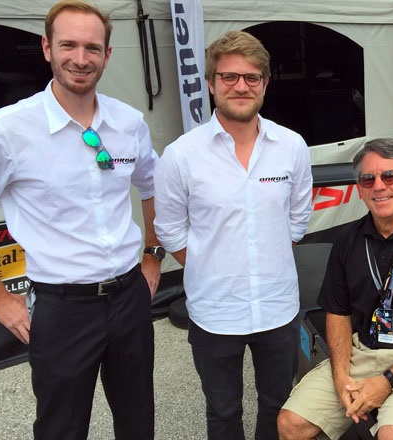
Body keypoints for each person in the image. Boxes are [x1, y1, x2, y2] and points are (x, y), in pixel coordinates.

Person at [0, 1, 162, 438]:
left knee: (138, 421)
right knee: (61, 428)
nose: (81, 58)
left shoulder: (128, 122)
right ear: (46, 48)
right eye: (68, 45)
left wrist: (152, 255)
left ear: (107, 55)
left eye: (92, 48)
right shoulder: (9, 130)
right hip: (63, 309)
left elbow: (153, 186)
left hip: (129, 298)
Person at [154, 30, 313, 440]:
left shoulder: (291, 146)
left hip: (277, 307)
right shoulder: (181, 155)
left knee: (277, 405)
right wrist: (208, 264)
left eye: (251, 77)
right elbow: (169, 228)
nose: (241, 86)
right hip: (214, 311)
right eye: (229, 77)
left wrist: (269, 253)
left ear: (264, 83)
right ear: (211, 83)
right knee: (223, 412)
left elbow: (298, 217)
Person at [277, 138, 393, 440]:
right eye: (368, 179)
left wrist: (387, 381)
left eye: (389, 176)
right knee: (291, 424)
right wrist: (341, 378)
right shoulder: (347, 241)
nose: (378, 186)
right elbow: (337, 314)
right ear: (360, 189)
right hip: (364, 351)